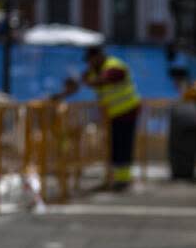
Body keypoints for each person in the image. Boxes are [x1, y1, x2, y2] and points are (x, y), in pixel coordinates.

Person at [57, 45, 142, 191]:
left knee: (123, 146)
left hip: (127, 111)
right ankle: (115, 178)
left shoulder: (115, 67)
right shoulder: (95, 70)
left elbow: (104, 80)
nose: (89, 63)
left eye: (90, 60)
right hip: (113, 114)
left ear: (98, 57)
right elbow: (81, 81)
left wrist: (86, 81)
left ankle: (123, 180)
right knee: (114, 146)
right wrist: (67, 89)